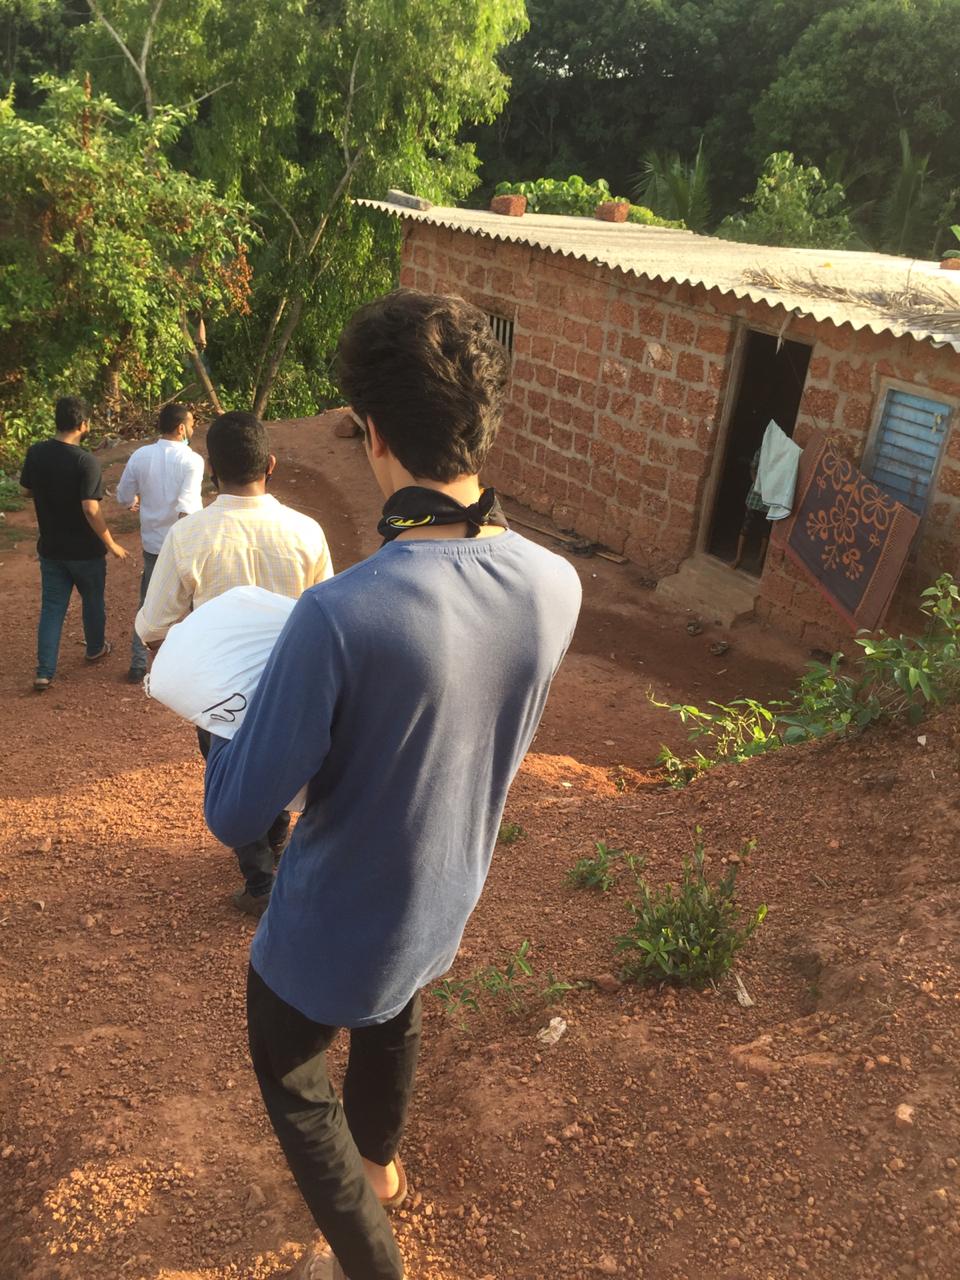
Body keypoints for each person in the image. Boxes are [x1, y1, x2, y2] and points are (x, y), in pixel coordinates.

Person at [203, 290, 583, 1280]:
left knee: (291, 1071)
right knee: (391, 1012)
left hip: (327, 928)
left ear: (371, 432)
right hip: (443, 899)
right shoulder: (557, 585)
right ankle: (381, 1168)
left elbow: (236, 810)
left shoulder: (338, 615)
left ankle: (371, 1263)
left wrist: (243, 707)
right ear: (485, 419)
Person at [135, 410, 333, 915]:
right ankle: (275, 851)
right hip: (291, 678)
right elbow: (329, 614)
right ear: (271, 464)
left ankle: (260, 879)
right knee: (283, 760)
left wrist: (174, 657)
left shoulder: (189, 535)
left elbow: (153, 624)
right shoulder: (306, 531)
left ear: (212, 470)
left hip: (219, 685)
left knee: (228, 768)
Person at [19, 395, 128, 693]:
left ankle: (44, 672)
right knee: (92, 600)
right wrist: (111, 543)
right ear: (83, 425)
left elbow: (25, 490)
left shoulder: (36, 452)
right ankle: (95, 648)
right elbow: (90, 508)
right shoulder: (85, 461)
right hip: (86, 551)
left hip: (51, 548)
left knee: (52, 608)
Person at [115, 403, 205, 683]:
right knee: (196, 605)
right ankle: (198, 664)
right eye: (191, 424)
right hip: (185, 545)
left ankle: (138, 664)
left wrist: (133, 501)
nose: (193, 429)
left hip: (154, 544)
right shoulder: (192, 461)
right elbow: (187, 508)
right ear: (181, 428)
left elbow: (123, 496)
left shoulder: (140, 456)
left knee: (149, 603)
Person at [732, 448, 771, 572]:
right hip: (756, 493)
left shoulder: (781, 453)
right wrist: (756, 483)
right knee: (746, 525)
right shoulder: (762, 450)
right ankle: (738, 558)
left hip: (770, 495)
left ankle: (759, 560)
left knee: (765, 529)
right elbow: (752, 468)